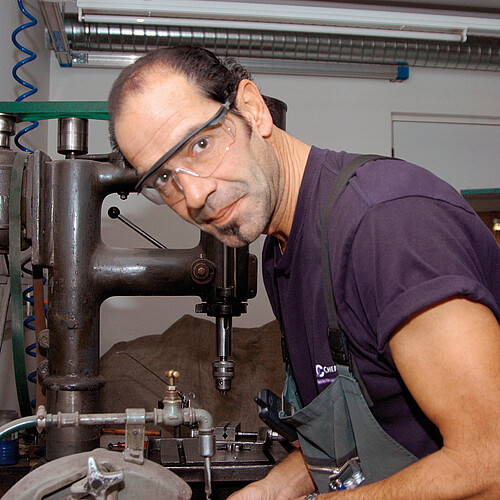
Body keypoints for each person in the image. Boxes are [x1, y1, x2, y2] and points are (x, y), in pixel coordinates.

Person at [108, 46, 500, 499]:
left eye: (200, 144)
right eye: (163, 178)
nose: (193, 196)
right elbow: (357, 428)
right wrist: (271, 491)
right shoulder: (281, 251)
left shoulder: (387, 226)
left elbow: (489, 465)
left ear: (253, 110)